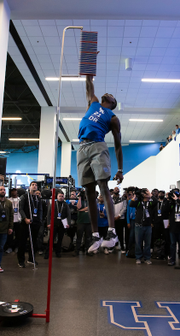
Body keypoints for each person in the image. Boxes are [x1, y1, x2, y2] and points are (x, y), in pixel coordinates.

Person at [78, 74, 124, 254]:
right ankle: (96, 235)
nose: (108, 94)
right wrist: (89, 74)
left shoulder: (113, 118)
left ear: (113, 103)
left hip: (98, 146)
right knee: (89, 191)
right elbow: (89, 86)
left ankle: (112, 233)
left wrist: (120, 170)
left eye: (111, 95)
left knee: (103, 186)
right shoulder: (94, 103)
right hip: (82, 148)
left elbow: (118, 146)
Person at [18, 181, 42, 267]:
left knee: (34, 242)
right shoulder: (24, 197)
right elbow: (20, 209)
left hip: (35, 222)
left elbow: (40, 210)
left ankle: (31, 259)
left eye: (36, 185)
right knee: (23, 242)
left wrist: (39, 220)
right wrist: (25, 218)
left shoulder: (38, 198)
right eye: (33, 185)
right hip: (25, 222)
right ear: (29, 187)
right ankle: (21, 260)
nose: (34, 186)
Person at [129, 188, 154, 265]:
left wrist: (150, 195)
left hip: (148, 226)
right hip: (138, 225)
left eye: (146, 192)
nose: (145, 194)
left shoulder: (150, 202)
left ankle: (147, 258)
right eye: (144, 193)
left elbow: (155, 201)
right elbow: (131, 204)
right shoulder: (139, 202)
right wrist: (135, 196)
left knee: (147, 243)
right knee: (138, 242)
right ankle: (138, 257)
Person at [45, 191, 71, 258]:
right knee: (51, 239)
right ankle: (47, 253)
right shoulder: (53, 204)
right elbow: (48, 215)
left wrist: (68, 223)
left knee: (60, 239)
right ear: (57, 197)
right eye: (60, 196)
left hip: (62, 224)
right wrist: (48, 223)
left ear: (64, 197)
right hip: (54, 224)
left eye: (62, 196)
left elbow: (68, 215)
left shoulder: (65, 205)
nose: (61, 197)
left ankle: (58, 252)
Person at [152, 191, 170, 260]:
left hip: (165, 222)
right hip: (157, 222)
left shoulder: (167, 203)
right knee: (156, 237)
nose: (160, 195)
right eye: (159, 193)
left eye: (162, 194)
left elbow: (169, 212)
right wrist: (152, 221)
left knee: (166, 238)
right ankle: (157, 252)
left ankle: (166, 253)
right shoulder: (156, 203)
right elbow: (152, 212)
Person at [75, 191, 92, 256]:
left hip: (88, 221)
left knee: (88, 238)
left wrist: (80, 210)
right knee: (79, 237)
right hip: (81, 222)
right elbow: (78, 207)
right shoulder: (80, 201)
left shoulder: (89, 201)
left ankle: (88, 251)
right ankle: (77, 251)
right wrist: (79, 197)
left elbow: (89, 208)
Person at [6, 188, 21, 254]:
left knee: (18, 235)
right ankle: (10, 247)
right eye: (12, 191)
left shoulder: (20, 200)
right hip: (11, 221)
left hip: (18, 220)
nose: (13, 192)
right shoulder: (8, 201)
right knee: (10, 235)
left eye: (15, 191)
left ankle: (17, 247)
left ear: (17, 192)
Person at [112, 187, 127, 252]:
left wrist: (119, 216)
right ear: (113, 190)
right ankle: (113, 246)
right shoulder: (110, 198)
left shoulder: (123, 198)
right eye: (115, 189)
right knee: (112, 233)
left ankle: (122, 247)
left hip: (120, 218)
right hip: (112, 219)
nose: (116, 190)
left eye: (117, 189)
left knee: (120, 233)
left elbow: (124, 208)